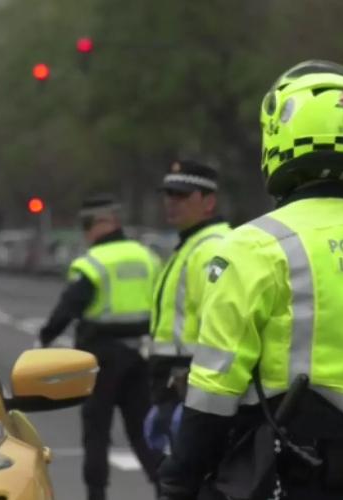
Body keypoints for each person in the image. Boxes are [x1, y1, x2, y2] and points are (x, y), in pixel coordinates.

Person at [156, 60, 343, 500]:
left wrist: (177, 484)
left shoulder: (252, 246)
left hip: (274, 476)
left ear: (280, 136)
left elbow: (215, 392)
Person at [37, 194, 163, 500]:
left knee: (97, 432)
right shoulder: (149, 257)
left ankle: (97, 495)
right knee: (142, 432)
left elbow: (69, 306)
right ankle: (168, 490)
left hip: (102, 357)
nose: (86, 232)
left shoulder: (92, 262)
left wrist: (44, 339)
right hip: (143, 354)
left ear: (107, 222)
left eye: (87, 225)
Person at [145, 160, 232, 455]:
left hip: (190, 382)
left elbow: (223, 325)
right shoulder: (191, 245)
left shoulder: (211, 248)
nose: (171, 202)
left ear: (209, 201)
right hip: (175, 383)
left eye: (182, 195)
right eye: (168, 194)